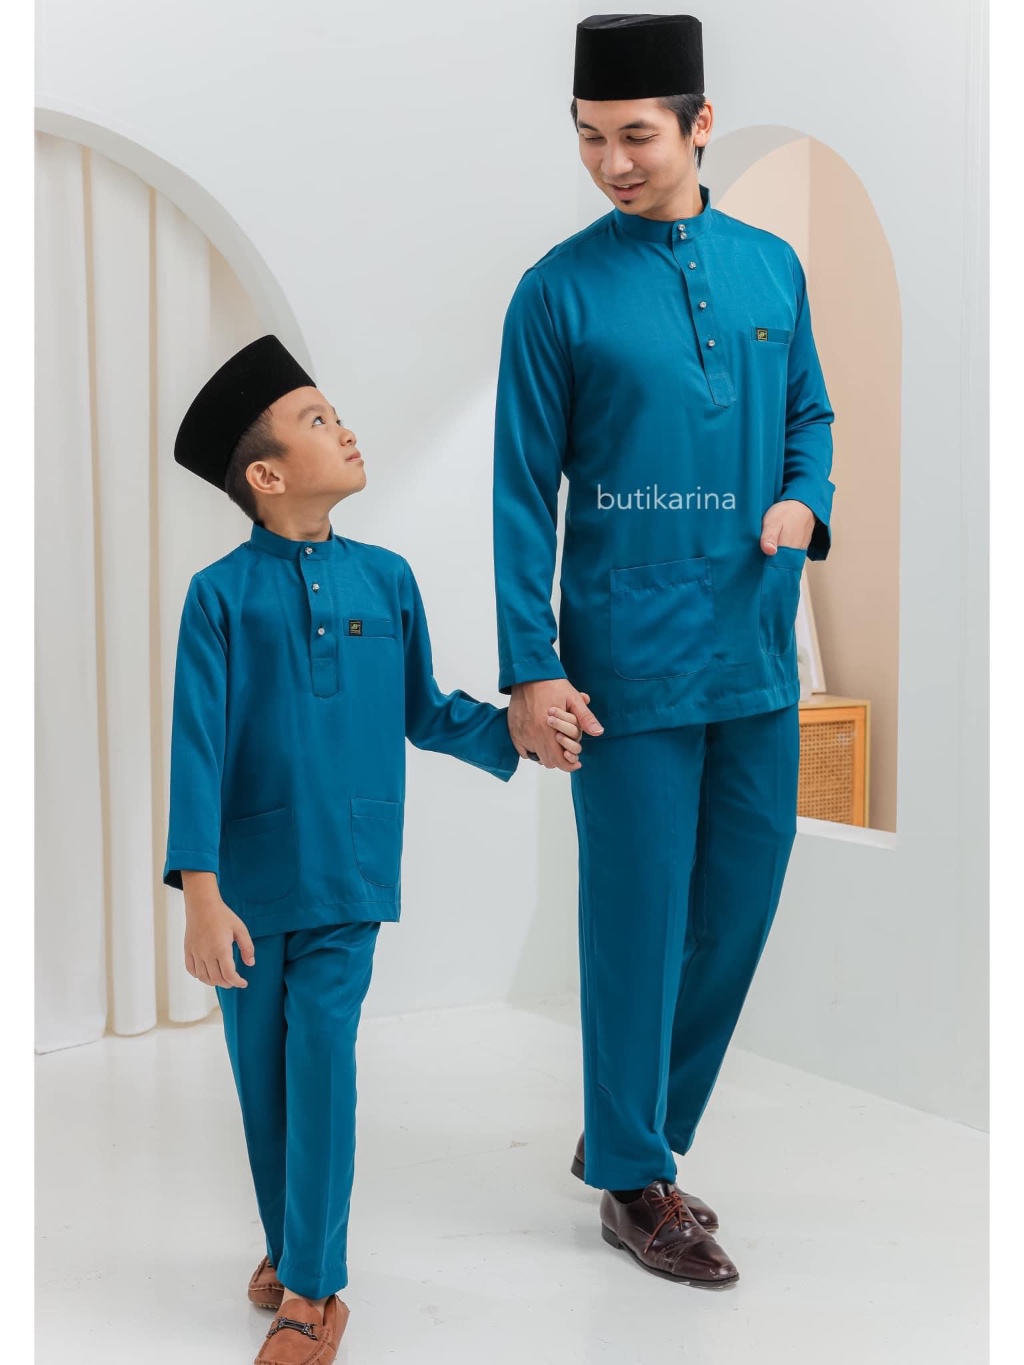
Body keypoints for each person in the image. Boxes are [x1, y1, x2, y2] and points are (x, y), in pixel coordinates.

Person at [493, 13, 836, 1287]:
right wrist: (530, 663)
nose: (611, 163)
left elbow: (809, 412)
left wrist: (804, 498)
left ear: (698, 125)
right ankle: (637, 1180)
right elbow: (521, 493)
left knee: (738, 904)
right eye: (588, 138)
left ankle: (629, 1126)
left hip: (753, 643)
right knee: (635, 919)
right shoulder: (556, 293)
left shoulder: (771, 269)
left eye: (634, 135)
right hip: (621, 661)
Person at [163, 334, 583, 1363]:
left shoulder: (388, 580)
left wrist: (515, 729)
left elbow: (424, 710)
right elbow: (197, 749)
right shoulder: (218, 596)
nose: (344, 428)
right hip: (248, 887)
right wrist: (200, 894)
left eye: (336, 412)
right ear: (267, 477)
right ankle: (287, 1245)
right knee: (262, 1082)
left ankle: (314, 1291)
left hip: (350, 875)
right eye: (317, 421)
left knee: (321, 1065)